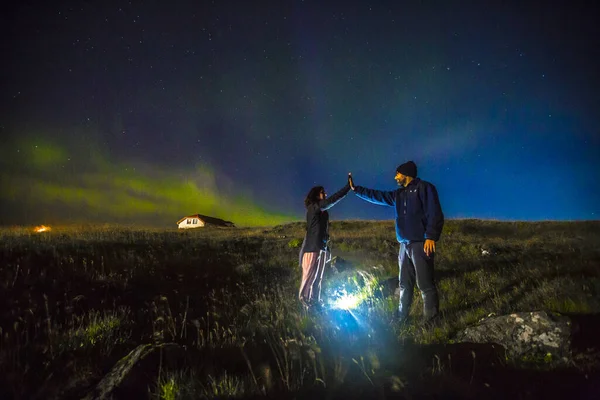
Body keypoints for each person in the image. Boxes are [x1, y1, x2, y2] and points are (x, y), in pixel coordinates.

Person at [348, 161, 444, 323]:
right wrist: (356, 190)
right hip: (404, 245)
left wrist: (430, 236)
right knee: (404, 284)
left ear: (406, 174)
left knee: (424, 283)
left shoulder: (424, 188)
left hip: (421, 242)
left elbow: (434, 212)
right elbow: (378, 196)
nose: (395, 177)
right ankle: (401, 317)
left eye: (397, 174)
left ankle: (431, 319)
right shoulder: (399, 195)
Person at [299, 181, 351, 309]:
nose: (325, 194)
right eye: (322, 192)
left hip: (321, 247)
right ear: (316, 195)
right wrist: (347, 188)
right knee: (308, 277)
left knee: (318, 277)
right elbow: (332, 200)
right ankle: (304, 303)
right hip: (312, 248)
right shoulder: (314, 207)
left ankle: (315, 302)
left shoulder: (322, 211)